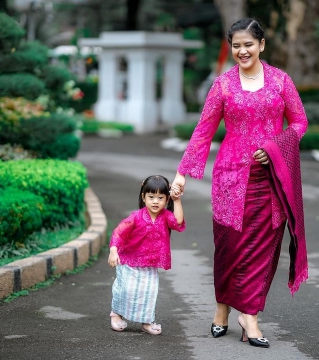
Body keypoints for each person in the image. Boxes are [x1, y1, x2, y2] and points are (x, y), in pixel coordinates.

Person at [171, 18, 308, 348]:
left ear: (261, 45)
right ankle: (222, 309)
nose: (242, 50)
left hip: (271, 179)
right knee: (229, 247)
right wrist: (182, 172)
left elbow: (300, 122)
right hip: (230, 178)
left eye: (248, 44)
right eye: (236, 45)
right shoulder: (223, 85)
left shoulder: (281, 81)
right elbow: (204, 130)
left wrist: (277, 146)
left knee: (263, 248)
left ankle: (250, 315)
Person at [108, 175, 185, 335]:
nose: (155, 201)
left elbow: (178, 223)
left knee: (148, 292)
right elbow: (119, 232)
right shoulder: (136, 217)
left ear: (166, 199)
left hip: (150, 264)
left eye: (160, 198)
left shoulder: (165, 216)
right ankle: (116, 313)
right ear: (143, 197)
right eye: (151, 197)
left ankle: (147, 321)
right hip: (129, 261)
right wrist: (114, 250)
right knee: (126, 290)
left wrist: (177, 200)